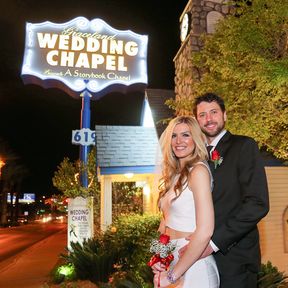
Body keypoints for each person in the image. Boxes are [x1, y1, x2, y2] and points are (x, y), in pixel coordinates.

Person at [190, 92, 270, 288]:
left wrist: (214, 243)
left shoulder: (244, 146)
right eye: (202, 115)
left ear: (224, 115)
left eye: (214, 112)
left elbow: (257, 204)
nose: (208, 119)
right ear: (196, 120)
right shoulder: (195, 157)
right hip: (198, 259)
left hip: (235, 260)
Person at [151, 115, 220, 288]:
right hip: (173, 260)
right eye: (174, 135)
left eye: (185, 135)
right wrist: (158, 258)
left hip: (194, 264)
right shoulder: (174, 175)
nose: (178, 141)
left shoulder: (199, 172)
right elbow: (165, 226)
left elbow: (205, 231)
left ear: (196, 139)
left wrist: (173, 276)